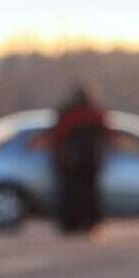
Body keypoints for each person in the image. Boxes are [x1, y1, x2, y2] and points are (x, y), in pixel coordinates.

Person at [45, 81, 112, 234]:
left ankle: (73, 223)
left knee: (72, 193)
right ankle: (87, 222)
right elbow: (108, 136)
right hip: (88, 161)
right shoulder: (95, 114)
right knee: (87, 193)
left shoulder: (68, 114)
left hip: (73, 163)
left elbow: (57, 137)